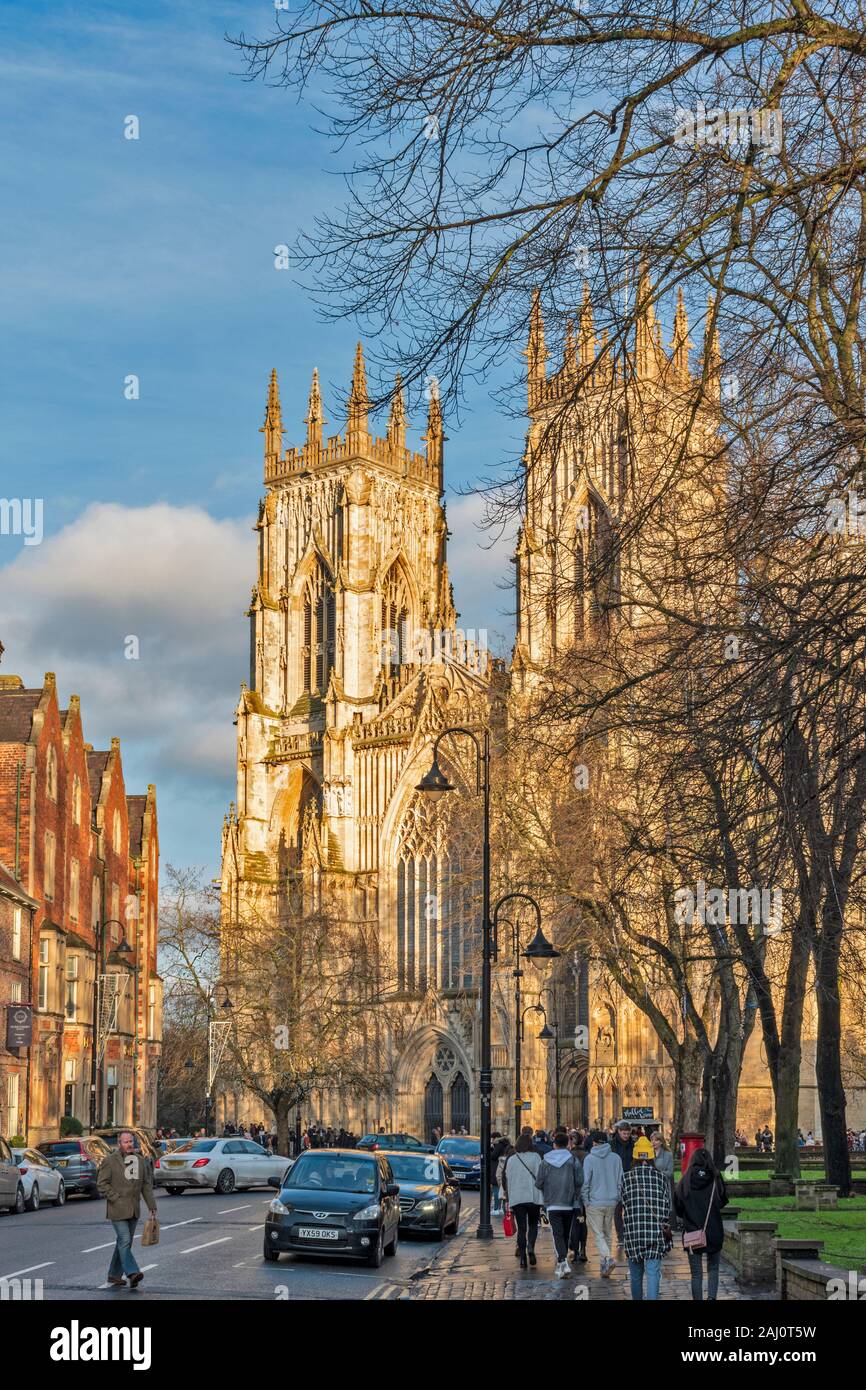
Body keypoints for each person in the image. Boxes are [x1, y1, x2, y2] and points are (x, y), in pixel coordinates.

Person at [96, 1130, 158, 1290]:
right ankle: (132, 1272)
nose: (129, 1144)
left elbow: (145, 1185)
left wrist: (152, 1206)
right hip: (117, 1209)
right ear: (119, 1144)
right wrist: (115, 1198)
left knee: (124, 1243)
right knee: (124, 1239)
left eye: (131, 1141)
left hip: (133, 1209)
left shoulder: (140, 1160)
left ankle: (114, 1275)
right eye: (126, 1142)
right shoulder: (110, 1161)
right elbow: (102, 1184)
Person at [674, 1148, 729, 1301]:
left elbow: (678, 1208)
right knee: (713, 1268)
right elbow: (723, 1201)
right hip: (714, 1230)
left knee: (696, 1273)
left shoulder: (685, 1180)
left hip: (692, 1232)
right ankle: (712, 1298)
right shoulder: (716, 1178)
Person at [621, 1137, 671, 1300]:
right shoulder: (662, 1178)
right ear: (651, 1157)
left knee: (635, 1276)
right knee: (653, 1274)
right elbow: (667, 1206)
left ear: (635, 1157)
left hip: (633, 1233)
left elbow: (622, 1202)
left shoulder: (626, 1178)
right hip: (655, 1233)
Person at [537, 1129, 584, 1279]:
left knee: (557, 1233)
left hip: (552, 1203)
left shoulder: (545, 1161)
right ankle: (562, 1262)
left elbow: (539, 1182)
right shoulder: (573, 1160)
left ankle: (562, 1261)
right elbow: (580, 1180)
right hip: (569, 1203)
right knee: (565, 1233)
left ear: (554, 1144)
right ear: (568, 1144)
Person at [582, 1129, 623, 1277]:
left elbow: (586, 1182)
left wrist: (585, 1200)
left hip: (595, 1201)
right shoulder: (616, 1158)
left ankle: (607, 1257)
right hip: (611, 1200)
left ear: (593, 1143)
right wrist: (617, 1197)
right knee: (607, 1233)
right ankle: (604, 1267)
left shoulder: (589, 1159)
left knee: (598, 1233)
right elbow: (620, 1180)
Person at [503, 1132, 544, 1269]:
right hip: (533, 1197)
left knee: (521, 1228)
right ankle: (530, 1247)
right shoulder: (536, 1157)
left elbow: (508, 1179)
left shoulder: (512, 1159)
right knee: (533, 1225)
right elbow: (540, 1177)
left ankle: (522, 1259)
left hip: (517, 1197)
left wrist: (508, 1198)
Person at [611, 1119, 635, 1245]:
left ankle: (630, 1233)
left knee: (630, 1208)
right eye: (624, 1133)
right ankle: (621, 1236)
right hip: (617, 1178)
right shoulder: (612, 1144)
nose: (626, 1136)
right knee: (618, 1209)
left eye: (628, 1133)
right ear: (618, 1131)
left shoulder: (633, 1144)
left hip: (630, 1178)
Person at [651, 1130, 675, 1220]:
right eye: (652, 1140)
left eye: (656, 1140)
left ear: (661, 1142)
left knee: (662, 1209)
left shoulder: (668, 1155)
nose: (653, 1142)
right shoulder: (648, 1153)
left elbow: (670, 1172)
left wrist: (658, 1172)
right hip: (651, 1185)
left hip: (663, 1185)